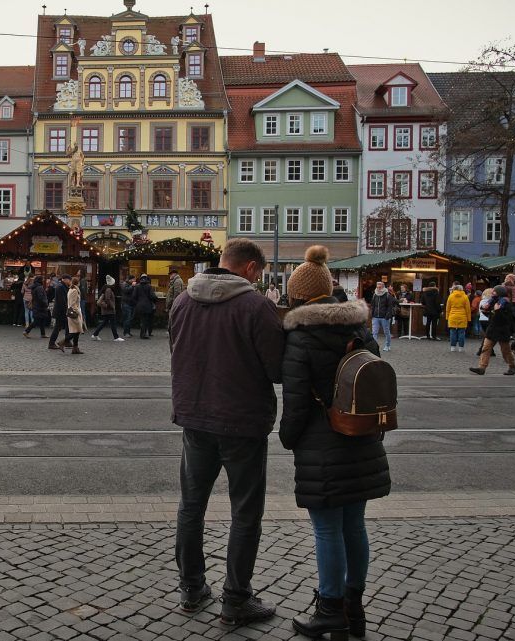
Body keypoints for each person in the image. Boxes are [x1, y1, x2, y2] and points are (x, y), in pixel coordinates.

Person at [170, 238, 284, 626]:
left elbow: (176, 351)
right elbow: (278, 369)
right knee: (245, 512)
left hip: (195, 417)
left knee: (191, 506)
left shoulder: (183, 301)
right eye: (260, 273)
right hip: (242, 421)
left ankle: (191, 587)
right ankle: (235, 599)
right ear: (251, 268)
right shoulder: (257, 306)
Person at [280, 246, 390, 640]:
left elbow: (294, 405)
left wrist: (287, 438)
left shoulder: (301, 339)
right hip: (361, 437)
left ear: (298, 296)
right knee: (354, 525)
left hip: (321, 444)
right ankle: (353, 606)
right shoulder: (358, 330)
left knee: (327, 530)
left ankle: (329, 608)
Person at [470, 285, 515, 375]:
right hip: (492, 329)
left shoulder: (506, 303)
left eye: (494, 291)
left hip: (502, 330)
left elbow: (506, 319)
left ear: (500, 292)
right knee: (486, 348)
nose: (492, 293)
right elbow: (491, 315)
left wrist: (498, 311)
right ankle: (482, 367)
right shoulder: (492, 301)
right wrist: (485, 310)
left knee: (505, 351)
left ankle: (511, 366)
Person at [91, 275, 122, 341]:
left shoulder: (107, 288)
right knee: (112, 323)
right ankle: (116, 337)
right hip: (109, 309)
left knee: (104, 322)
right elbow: (108, 299)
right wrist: (112, 306)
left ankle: (95, 334)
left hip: (107, 309)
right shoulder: (109, 289)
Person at [369, 281, 397, 352]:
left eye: (380, 287)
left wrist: (387, 315)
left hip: (384, 317)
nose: (378, 288)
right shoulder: (375, 294)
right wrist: (371, 314)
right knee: (374, 333)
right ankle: (374, 347)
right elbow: (373, 305)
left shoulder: (387, 295)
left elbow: (390, 306)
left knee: (386, 332)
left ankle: (387, 345)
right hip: (375, 316)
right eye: (377, 287)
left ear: (383, 287)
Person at [48, 274, 72, 351]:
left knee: (65, 326)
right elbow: (62, 301)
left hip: (62, 310)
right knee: (58, 327)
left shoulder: (63, 286)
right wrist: (66, 310)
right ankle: (52, 343)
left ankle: (66, 341)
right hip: (60, 311)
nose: (70, 282)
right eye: (69, 280)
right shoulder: (60, 287)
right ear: (65, 279)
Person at [444, 284, 471, 353]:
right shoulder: (465, 297)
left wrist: (447, 317)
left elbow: (448, 308)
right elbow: (468, 309)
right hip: (462, 316)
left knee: (453, 332)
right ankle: (461, 348)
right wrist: (469, 318)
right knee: (461, 332)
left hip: (452, 316)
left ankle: (453, 347)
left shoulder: (451, 296)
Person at [64, 277, 86, 354]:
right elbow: (73, 303)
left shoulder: (71, 290)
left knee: (76, 331)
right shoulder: (74, 291)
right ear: (78, 283)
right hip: (74, 313)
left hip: (72, 312)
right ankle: (63, 342)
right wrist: (77, 312)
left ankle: (75, 348)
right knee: (76, 331)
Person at [132, 274, 158, 338]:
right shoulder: (149, 286)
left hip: (139, 306)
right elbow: (152, 296)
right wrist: (155, 300)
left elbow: (133, 297)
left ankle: (143, 334)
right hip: (147, 306)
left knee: (142, 320)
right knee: (145, 320)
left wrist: (137, 303)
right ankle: (143, 334)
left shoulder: (137, 286)